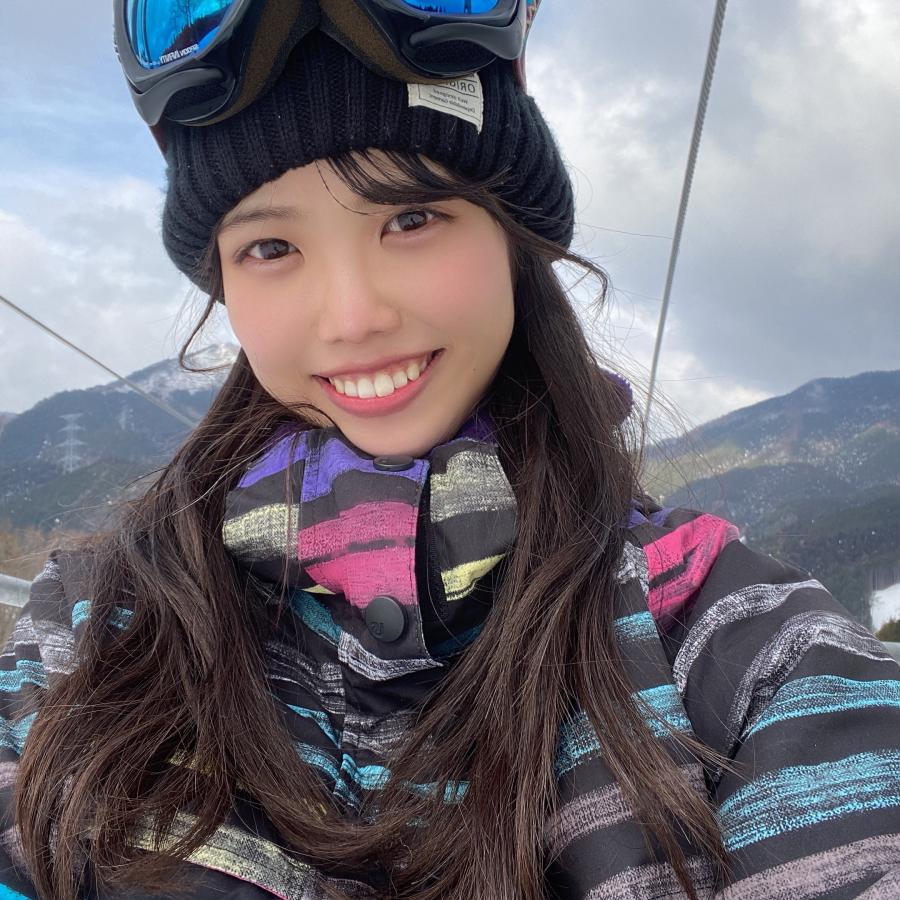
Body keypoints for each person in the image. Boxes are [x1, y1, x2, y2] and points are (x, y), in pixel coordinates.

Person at [2, 2, 900, 898]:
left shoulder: (726, 639)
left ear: (511, 232)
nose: (353, 317)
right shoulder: (91, 628)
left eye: (411, 218)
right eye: (271, 246)